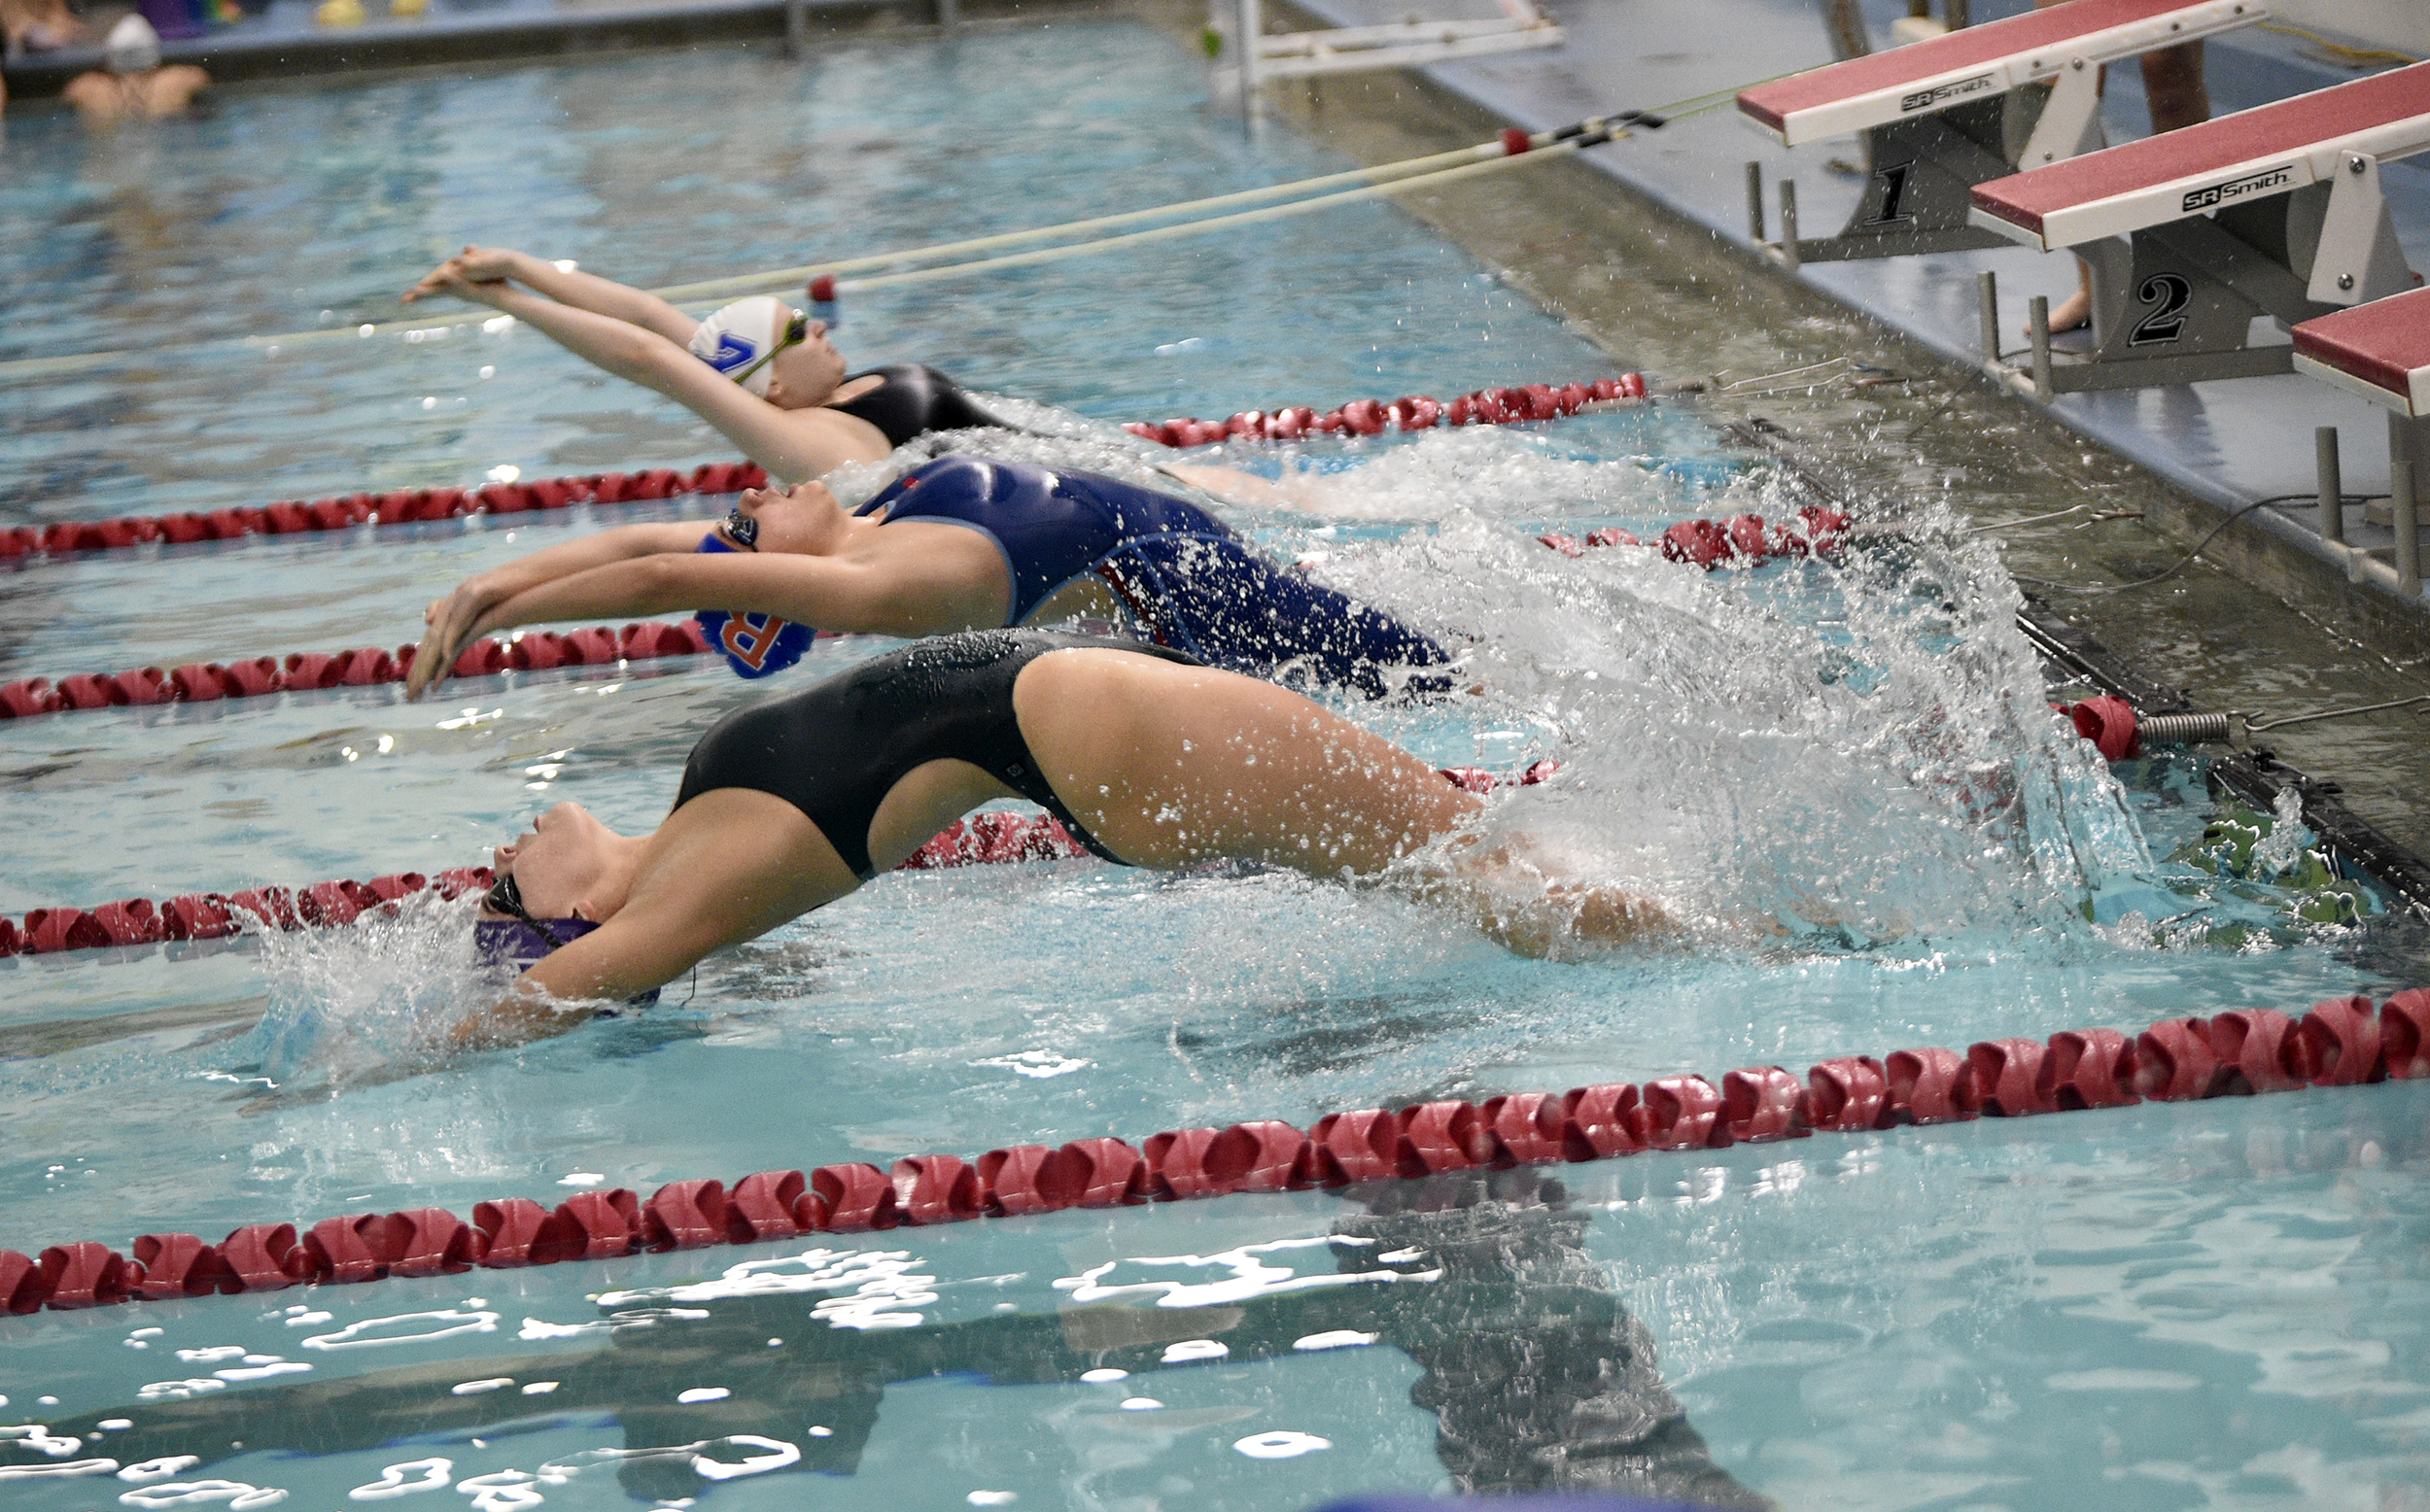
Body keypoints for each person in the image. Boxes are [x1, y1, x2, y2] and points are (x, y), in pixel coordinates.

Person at [461, 630, 1669, 1047]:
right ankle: (1766, 945)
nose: (501, 856)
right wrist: (319, 1082)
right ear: (573, 924)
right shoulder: (691, 895)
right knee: (1493, 877)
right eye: (506, 891)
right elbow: (532, 1002)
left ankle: (1712, 933)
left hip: (1101, 731)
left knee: (1485, 872)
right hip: (1111, 735)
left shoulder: (689, 830)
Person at [404, 452, 1451, 701]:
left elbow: (634, 548)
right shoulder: (885, 583)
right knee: (1447, 673)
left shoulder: (876, 515)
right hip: (1210, 604)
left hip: (1218, 564)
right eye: (747, 519)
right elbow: (664, 576)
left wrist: (494, 574)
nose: (755, 495)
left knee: (1440, 655)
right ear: (772, 570)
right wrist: (501, 614)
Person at [400, 247, 1000, 485]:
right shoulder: (804, 439)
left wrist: (515, 265)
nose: (816, 324)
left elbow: (649, 316)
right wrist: (498, 300)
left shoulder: (810, 392)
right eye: (796, 328)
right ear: (774, 385)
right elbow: (646, 356)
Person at [60, 15, 210, 124]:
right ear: (154, 53)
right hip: (163, 131)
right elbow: (203, 79)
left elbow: (65, 96)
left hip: (114, 136)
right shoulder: (177, 79)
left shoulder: (87, 87)